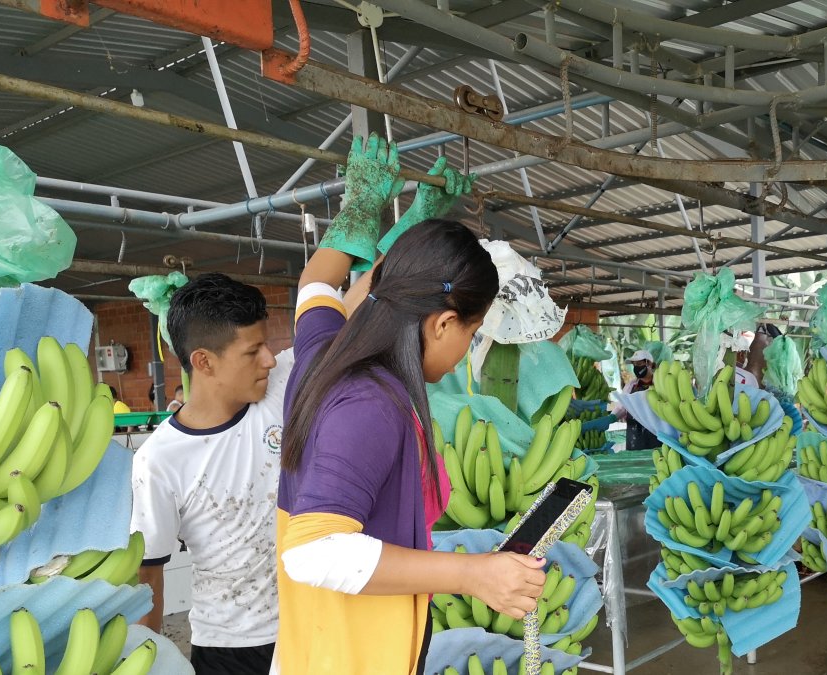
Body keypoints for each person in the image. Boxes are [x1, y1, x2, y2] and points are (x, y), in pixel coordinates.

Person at [275, 139, 544, 674]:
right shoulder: (371, 403)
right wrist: (473, 574)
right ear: (443, 323)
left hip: (312, 649)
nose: (467, 348)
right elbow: (312, 550)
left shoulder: (322, 352)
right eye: (472, 332)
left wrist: (369, 211)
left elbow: (316, 283)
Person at [130, 273, 292, 675]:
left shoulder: (278, 389)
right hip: (228, 650)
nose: (270, 359)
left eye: (267, 345)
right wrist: (145, 662)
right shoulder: (159, 460)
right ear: (204, 361)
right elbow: (148, 572)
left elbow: (343, 313)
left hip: (307, 629)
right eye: (252, 351)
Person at [613, 349, 661, 451]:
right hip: (635, 436)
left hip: (657, 434)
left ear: (649, 363)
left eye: (639, 364)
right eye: (634, 365)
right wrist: (611, 418)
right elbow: (622, 407)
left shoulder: (661, 384)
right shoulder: (631, 385)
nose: (636, 368)